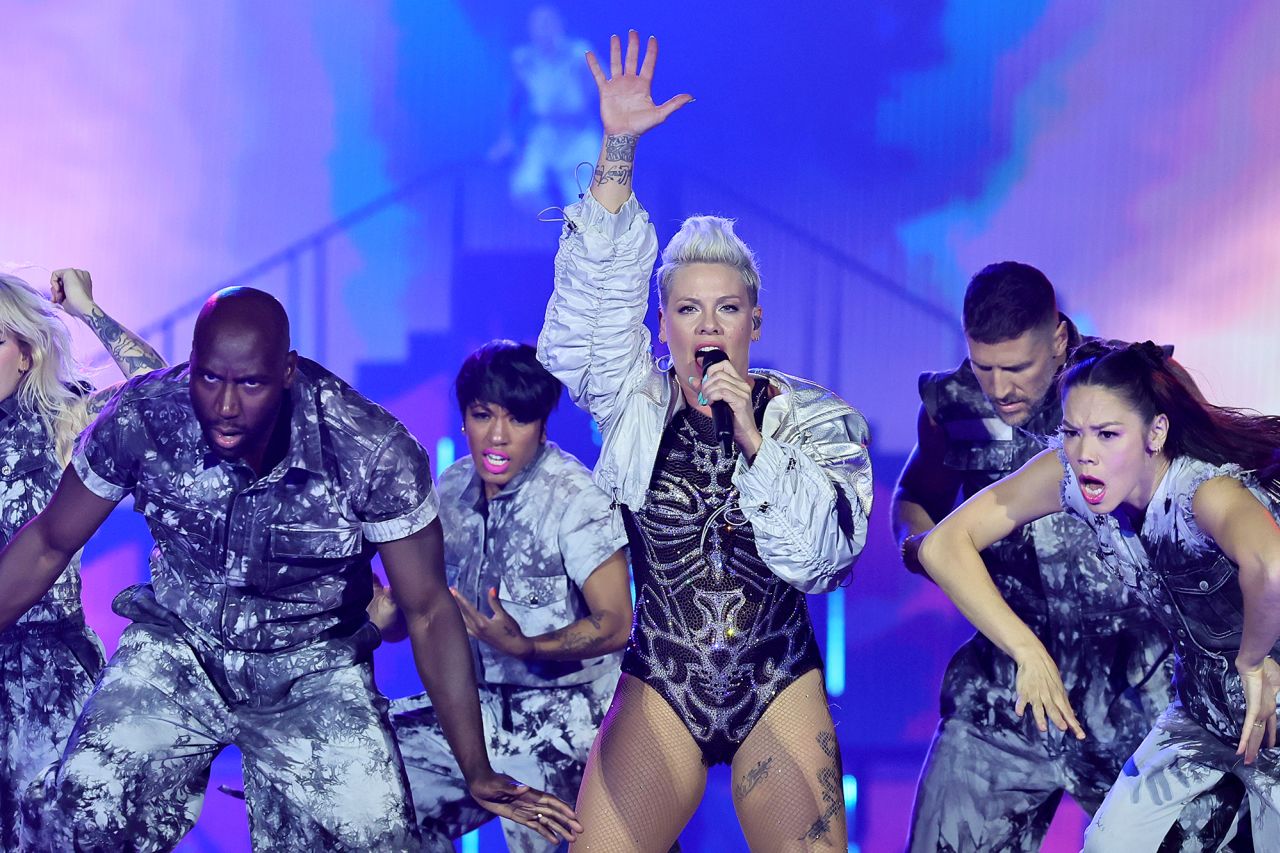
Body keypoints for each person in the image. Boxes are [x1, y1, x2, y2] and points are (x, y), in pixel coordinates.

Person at [1, 287, 579, 851]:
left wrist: (475, 770)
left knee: (377, 839)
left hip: (314, 671)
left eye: (250, 383)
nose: (226, 406)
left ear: (287, 372)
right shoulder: (146, 416)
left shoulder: (369, 449)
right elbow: (49, 541)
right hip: (177, 649)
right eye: (209, 379)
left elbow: (427, 611)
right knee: (77, 814)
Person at [537, 32, 873, 850]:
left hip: (775, 681)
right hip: (665, 682)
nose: (707, 326)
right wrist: (617, 149)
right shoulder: (634, 402)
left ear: (754, 321)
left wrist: (756, 437)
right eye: (688, 309)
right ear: (665, 324)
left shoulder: (819, 419)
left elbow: (825, 560)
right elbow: (583, 328)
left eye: (726, 309)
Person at [893, 264, 1243, 849]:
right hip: (1005, 691)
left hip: (1137, 696)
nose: (999, 388)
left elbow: (1215, 507)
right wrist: (923, 550)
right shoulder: (953, 406)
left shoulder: (1128, 390)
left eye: (1018, 368)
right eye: (985, 367)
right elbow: (917, 505)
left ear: (1058, 340)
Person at [369, 340, 630, 853]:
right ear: (465, 418)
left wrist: (528, 647)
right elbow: (411, 619)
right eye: (482, 414)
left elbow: (616, 622)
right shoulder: (449, 489)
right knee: (369, 789)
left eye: (517, 419)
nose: (497, 435)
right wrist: (383, 611)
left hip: (571, 724)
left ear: (541, 424)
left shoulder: (575, 499)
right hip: (474, 712)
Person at [0, 268, 165, 849]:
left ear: (27, 353)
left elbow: (159, 391)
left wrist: (89, 311)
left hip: (49, 672)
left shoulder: (66, 421)